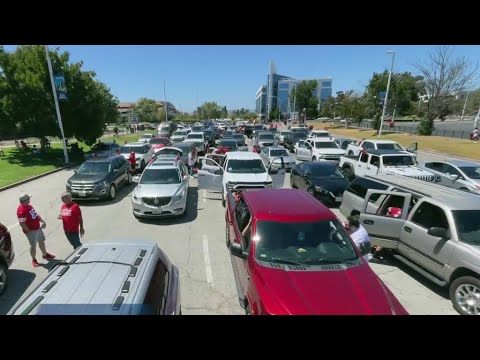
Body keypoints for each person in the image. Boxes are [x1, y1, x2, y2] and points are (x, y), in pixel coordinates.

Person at [17, 193, 55, 267]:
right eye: (28, 199)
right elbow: (22, 223)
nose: (29, 199)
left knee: (41, 241)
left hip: (37, 228)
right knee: (33, 246)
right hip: (32, 231)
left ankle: (45, 254)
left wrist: (42, 221)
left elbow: (35, 214)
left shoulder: (29, 206)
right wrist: (29, 231)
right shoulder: (21, 210)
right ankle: (34, 260)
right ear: (25, 200)